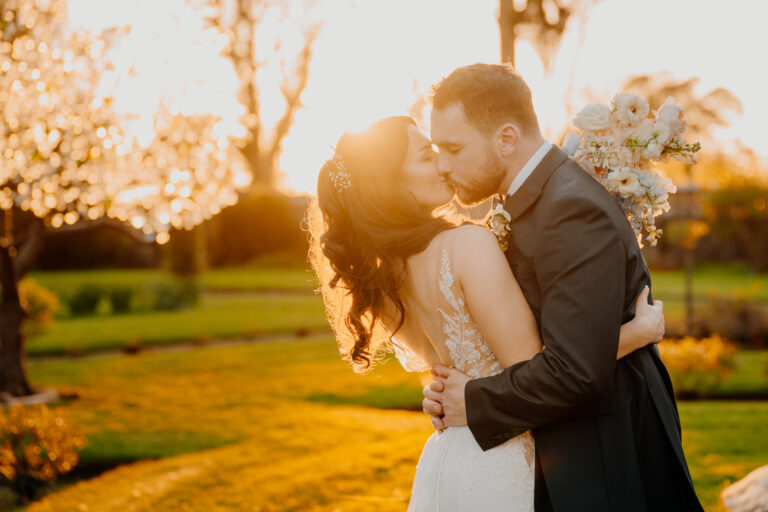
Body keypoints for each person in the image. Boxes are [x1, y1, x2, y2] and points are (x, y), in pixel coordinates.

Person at [307, 110, 666, 510]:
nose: (444, 164)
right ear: (392, 184)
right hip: (501, 459)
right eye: (427, 157)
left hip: (449, 459)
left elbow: (454, 374)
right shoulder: (466, 246)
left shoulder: (384, 277)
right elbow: (535, 368)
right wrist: (636, 333)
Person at [420, 63, 704, 511]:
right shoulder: (531, 197)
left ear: (507, 138)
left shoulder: (570, 208)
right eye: (436, 148)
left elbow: (576, 371)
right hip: (566, 445)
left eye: (453, 147)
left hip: (603, 455)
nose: (442, 163)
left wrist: (473, 401)